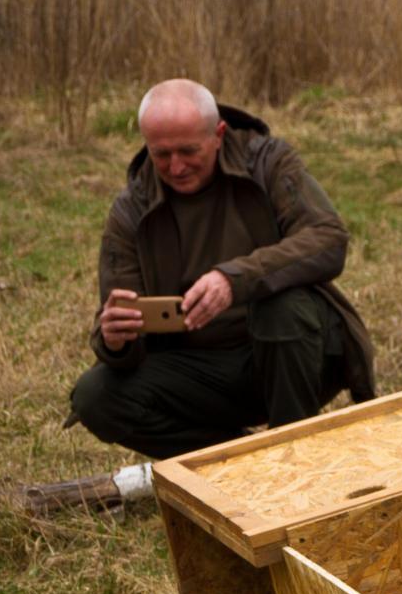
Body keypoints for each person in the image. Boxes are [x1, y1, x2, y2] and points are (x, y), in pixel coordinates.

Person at [68, 79, 376, 460]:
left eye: (188, 151)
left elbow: (329, 239)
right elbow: (119, 326)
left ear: (218, 134)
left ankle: (295, 460)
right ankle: (238, 461)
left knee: (281, 308)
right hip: (201, 372)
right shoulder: (132, 208)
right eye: (160, 154)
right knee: (95, 397)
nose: (175, 167)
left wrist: (236, 280)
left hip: (299, 354)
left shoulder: (267, 162)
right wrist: (115, 340)